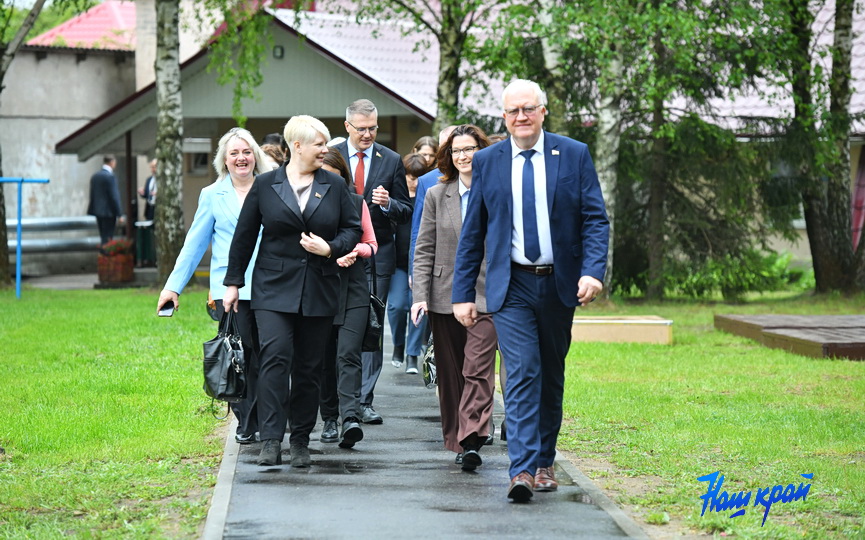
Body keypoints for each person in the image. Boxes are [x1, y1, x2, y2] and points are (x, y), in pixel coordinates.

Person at [452, 79, 610, 502]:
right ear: (504, 117)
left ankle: (544, 462)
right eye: (513, 111)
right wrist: (462, 293)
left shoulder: (573, 153)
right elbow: (473, 231)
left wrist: (593, 272)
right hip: (513, 285)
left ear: (543, 111)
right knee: (522, 372)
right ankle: (520, 469)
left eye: (528, 109)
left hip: (559, 283)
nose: (521, 117)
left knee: (550, 374)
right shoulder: (487, 160)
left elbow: (595, 218)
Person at [224, 115, 361, 468]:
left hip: (319, 287)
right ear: (297, 146)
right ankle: (271, 439)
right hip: (272, 288)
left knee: (308, 366)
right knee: (275, 358)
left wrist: (330, 248)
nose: (325, 150)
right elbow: (244, 236)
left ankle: (300, 440)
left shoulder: (334, 185)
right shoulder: (266, 184)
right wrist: (233, 283)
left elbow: (352, 229)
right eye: (319, 144)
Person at [157, 128, 268, 445]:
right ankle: (246, 421)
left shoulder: (271, 189)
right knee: (238, 354)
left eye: (246, 152)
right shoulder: (211, 195)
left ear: (255, 156)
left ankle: (265, 417)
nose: (241, 158)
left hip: (270, 284)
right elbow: (194, 244)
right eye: (234, 153)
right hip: (229, 289)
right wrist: (173, 287)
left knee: (267, 354)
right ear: (224, 160)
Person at [411, 125, 497, 471]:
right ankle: (458, 439)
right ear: (449, 155)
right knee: (451, 373)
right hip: (443, 294)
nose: (463, 156)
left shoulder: (497, 190)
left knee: (477, 368)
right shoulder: (437, 193)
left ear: (482, 151)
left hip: (487, 293)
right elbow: (424, 248)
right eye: (457, 150)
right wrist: (420, 295)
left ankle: (473, 437)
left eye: (470, 149)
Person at [334, 99, 412, 425]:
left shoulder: (391, 160)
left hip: (377, 257)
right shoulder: (332, 156)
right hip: (337, 255)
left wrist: (389, 203)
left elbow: (406, 210)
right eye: (361, 128)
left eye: (373, 128)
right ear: (347, 126)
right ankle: (336, 400)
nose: (367, 134)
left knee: (371, 326)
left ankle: (363, 401)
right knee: (336, 325)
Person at [318, 146, 378, 448]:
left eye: (334, 176)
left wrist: (354, 251)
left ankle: (350, 417)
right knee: (324, 355)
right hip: (320, 285)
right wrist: (331, 254)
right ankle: (329, 417)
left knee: (348, 353)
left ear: (343, 177)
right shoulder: (309, 205)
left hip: (353, 286)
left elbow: (372, 244)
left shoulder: (356, 202)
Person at [387, 153, 430, 374]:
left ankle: (412, 354)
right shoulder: (397, 197)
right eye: (411, 177)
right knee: (396, 306)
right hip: (398, 263)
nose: (414, 181)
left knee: (419, 305)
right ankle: (398, 344)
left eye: (419, 177)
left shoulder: (428, 196)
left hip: (420, 263)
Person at [87, 155, 125, 246]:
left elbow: (92, 194)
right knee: (108, 237)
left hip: (98, 211)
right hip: (109, 212)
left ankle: (103, 253)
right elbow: (114, 196)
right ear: (112, 162)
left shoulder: (95, 176)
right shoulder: (110, 177)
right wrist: (119, 214)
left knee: (103, 235)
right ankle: (105, 253)